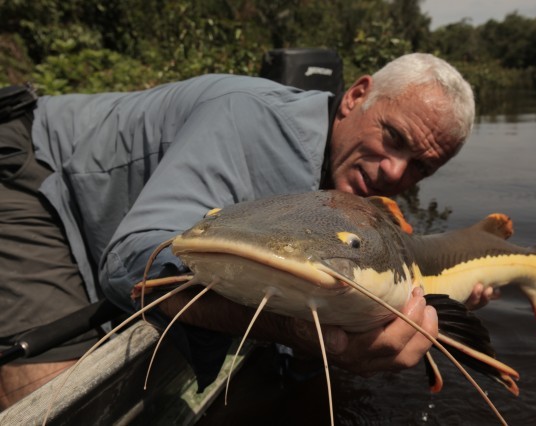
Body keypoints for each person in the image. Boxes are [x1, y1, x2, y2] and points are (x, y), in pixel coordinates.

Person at [0, 53, 495, 408]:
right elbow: (132, 259)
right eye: (394, 137)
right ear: (356, 96)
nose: (394, 171)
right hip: (30, 171)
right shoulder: (250, 119)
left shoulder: (341, 176)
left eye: (419, 169)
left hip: (103, 207)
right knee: (56, 396)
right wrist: (292, 330)